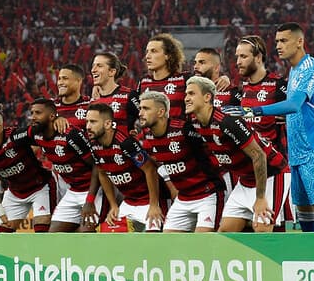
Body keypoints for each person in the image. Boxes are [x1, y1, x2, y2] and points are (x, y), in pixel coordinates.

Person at [227, 23, 314, 232]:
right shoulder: (294, 71)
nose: (279, 45)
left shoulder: (309, 68)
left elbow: (293, 105)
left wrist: (253, 111)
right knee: (306, 216)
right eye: (277, 41)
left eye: (284, 40)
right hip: (297, 155)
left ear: (300, 41)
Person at [185, 76, 275, 232]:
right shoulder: (194, 124)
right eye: (186, 94)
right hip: (245, 179)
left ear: (207, 97)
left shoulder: (227, 122)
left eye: (192, 94)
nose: (186, 98)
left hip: (271, 174)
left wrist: (260, 198)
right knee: (225, 234)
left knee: (262, 232)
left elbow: (259, 155)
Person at [16, 98, 117, 233]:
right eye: (32, 113)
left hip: (95, 190)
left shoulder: (70, 135)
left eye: (38, 113)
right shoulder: (35, 134)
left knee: (84, 233)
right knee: (54, 235)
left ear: (52, 116)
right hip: (73, 191)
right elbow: (12, 136)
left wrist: (90, 200)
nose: (33, 117)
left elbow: (97, 166)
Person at [137, 91, 225, 233]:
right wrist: (171, 187)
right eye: (140, 108)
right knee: (169, 246)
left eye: (146, 109)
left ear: (161, 112)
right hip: (183, 198)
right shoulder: (147, 135)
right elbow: (156, 162)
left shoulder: (184, 129)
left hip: (207, 195)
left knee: (205, 243)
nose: (141, 113)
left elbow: (211, 151)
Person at [233, 35, 294, 232]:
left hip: (274, 168)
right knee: (243, 228)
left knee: (273, 229)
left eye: (243, 56)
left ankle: (281, 262)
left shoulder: (278, 85)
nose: (238, 62)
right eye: (237, 57)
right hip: (250, 170)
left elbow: (303, 107)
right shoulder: (242, 89)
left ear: (258, 57)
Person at [0, 106, 57, 233]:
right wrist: (0, 210)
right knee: (2, 233)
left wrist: (57, 120)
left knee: (42, 230)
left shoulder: (16, 136)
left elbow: (40, 131)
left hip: (40, 187)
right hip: (15, 192)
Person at [85, 103, 164, 231]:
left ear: (107, 124)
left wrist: (154, 205)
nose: (88, 126)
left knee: (151, 243)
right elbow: (102, 173)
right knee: (110, 238)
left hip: (149, 200)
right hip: (128, 202)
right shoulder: (93, 144)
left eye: (93, 122)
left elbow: (150, 170)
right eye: (87, 121)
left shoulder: (125, 143)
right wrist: (113, 205)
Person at [138, 33, 230, 120]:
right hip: (149, 136)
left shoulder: (184, 79)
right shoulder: (143, 82)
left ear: (168, 55)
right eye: (147, 52)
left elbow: (208, 79)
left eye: (153, 51)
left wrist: (224, 78)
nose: (147, 56)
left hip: (178, 135)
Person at [90, 52, 140, 135]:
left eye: (99, 66)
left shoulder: (128, 96)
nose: (93, 70)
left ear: (112, 72)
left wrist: (137, 136)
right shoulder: (92, 101)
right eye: (93, 66)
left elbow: (147, 119)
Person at [54, 64, 91, 130]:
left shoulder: (90, 105)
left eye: (65, 78)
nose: (60, 83)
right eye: (59, 79)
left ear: (78, 81)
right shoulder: (51, 107)